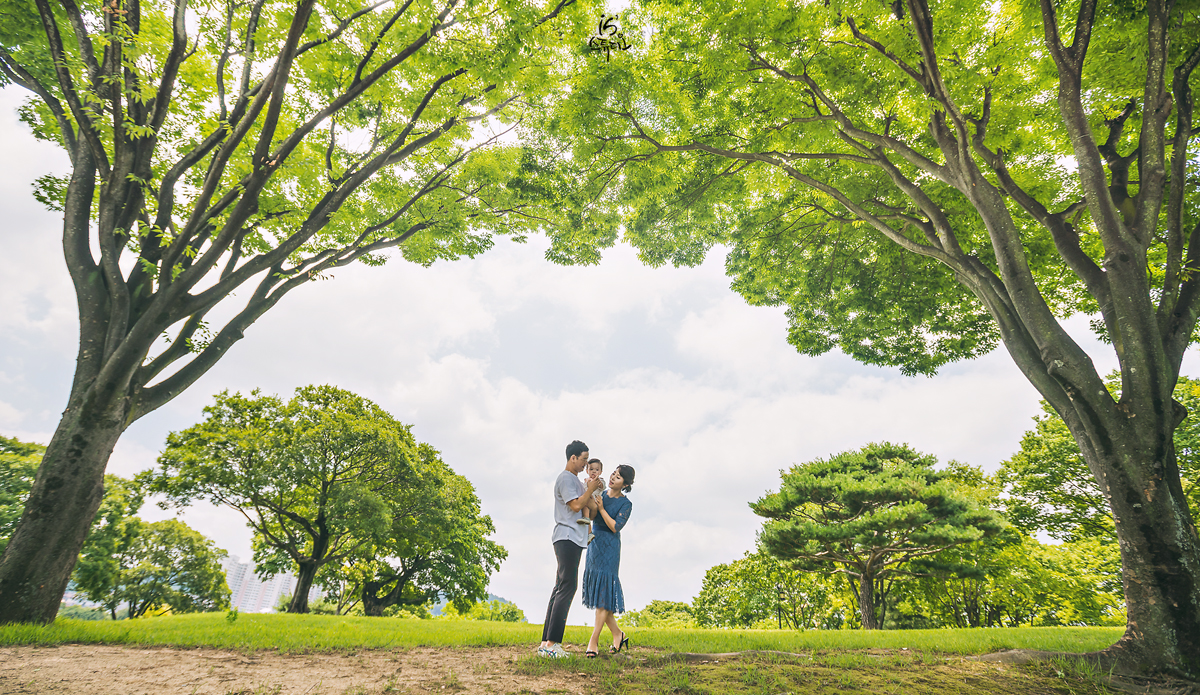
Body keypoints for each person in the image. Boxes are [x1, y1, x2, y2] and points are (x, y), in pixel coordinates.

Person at [538, 440, 604, 658]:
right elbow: (576, 506)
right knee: (567, 587)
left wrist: (591, 494)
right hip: (566, 536)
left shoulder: (577, 482)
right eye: (584, 459)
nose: (586, 463)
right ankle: (552, 644)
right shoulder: (566, 478)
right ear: (573, 458)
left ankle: (545, 644)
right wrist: (590, 491)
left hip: (574, 538)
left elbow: (591, 511)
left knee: (560, 587)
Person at [581, 464, 635, 658]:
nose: (613, 478)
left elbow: (615, 526)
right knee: (601, 598)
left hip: (610, 548)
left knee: (604, 596)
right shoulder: (600, 493)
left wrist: (602, 509)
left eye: (619, 477)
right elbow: (590, 513)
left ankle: (593, 641)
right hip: (595, 545)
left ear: (625, 484)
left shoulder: (626, 504)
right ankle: (618, 635)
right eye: (614, 473)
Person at [578, 458, 605, 543]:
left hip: (595, 502)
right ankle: (589, 533)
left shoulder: (600, 480)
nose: (594, 472)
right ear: (587, 471)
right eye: (591, 469)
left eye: (597, 470)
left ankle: (586, 520)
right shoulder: (586, 481)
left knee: (586, 501)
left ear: (600, 472)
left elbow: (601, 486)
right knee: (585, 508)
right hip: (587, 502)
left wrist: (596, 481)